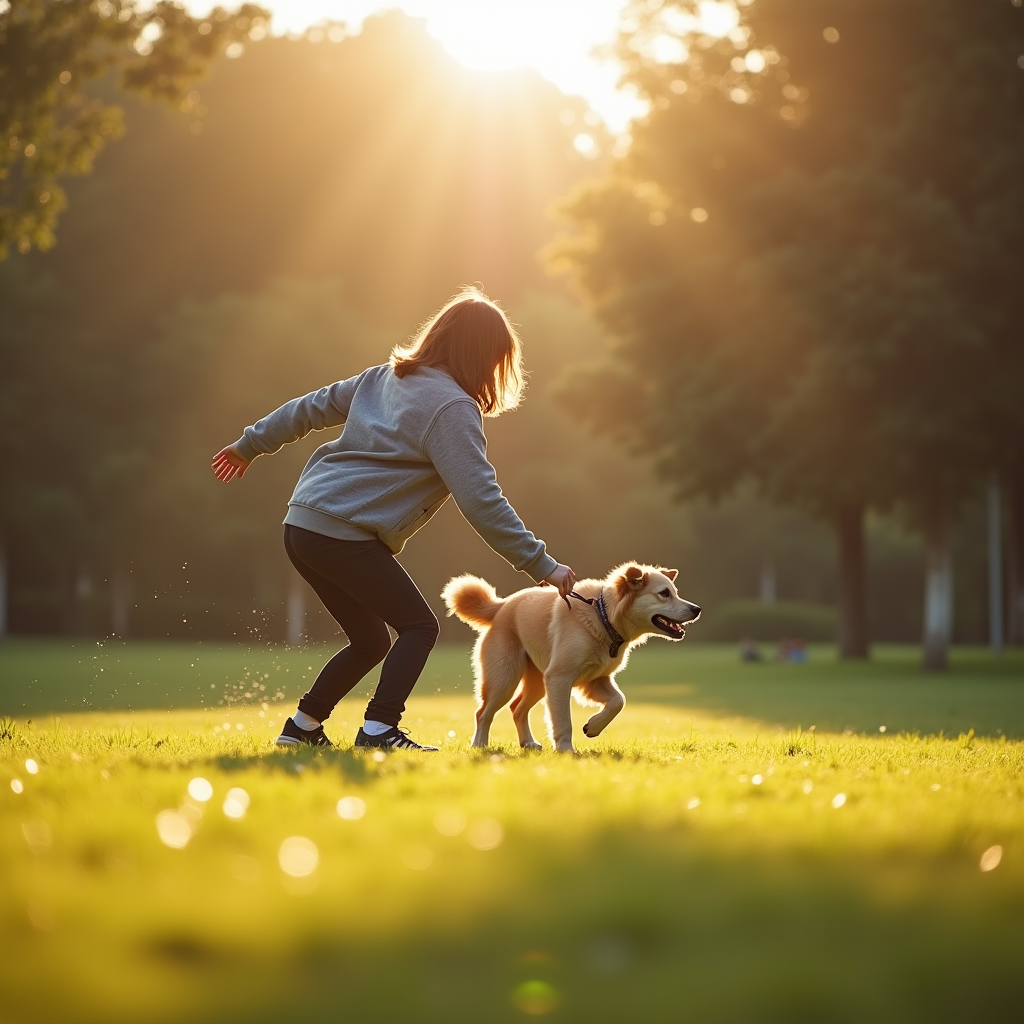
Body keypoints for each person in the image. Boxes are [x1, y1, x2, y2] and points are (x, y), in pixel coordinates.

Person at [211, 288, 575, 751]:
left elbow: (308, 407)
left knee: (369, 641)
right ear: (486, 356)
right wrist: (541, 565)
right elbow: (482, 500)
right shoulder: (453, 408)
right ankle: (379, 730)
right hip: (343, 531)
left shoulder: (384, 377)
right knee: (420, 627)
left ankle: (301, 728)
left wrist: (249, 445)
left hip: (303, 523)